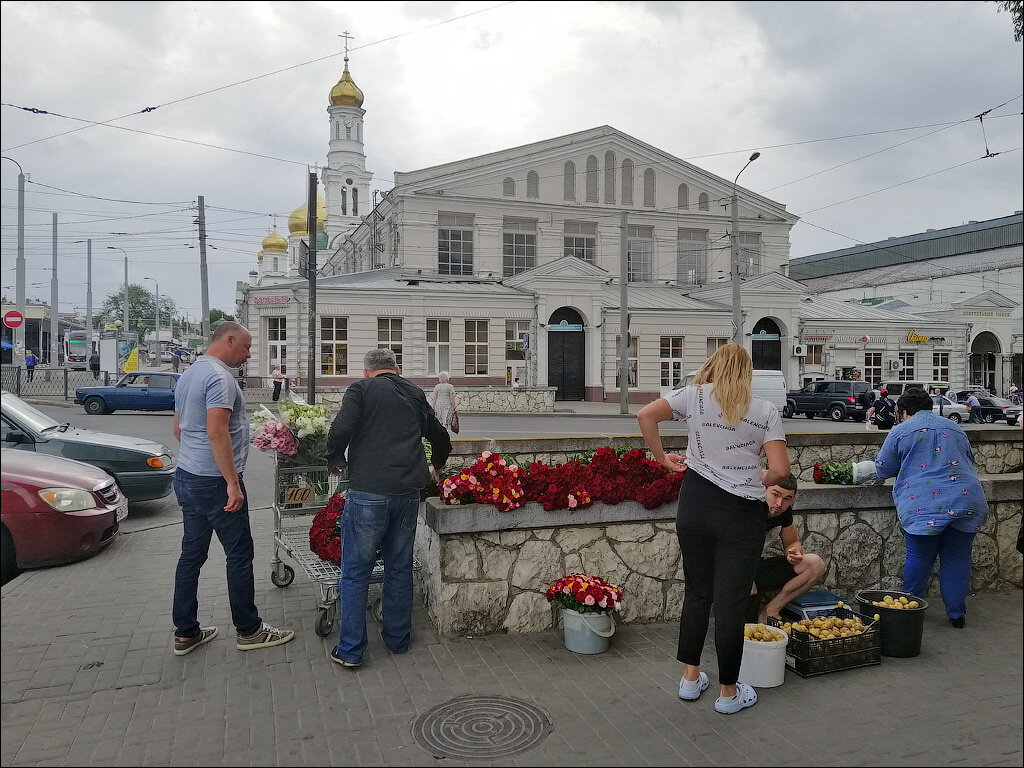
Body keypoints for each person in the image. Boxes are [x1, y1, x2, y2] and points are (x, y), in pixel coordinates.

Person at [637, 343, 790, 715]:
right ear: (747, 374)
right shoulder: (765, 410)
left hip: (696, 506)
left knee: (697, 593)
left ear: (713, 366)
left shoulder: (693, 397)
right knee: (731, 602)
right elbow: (781, 471)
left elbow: (645, 415)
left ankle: (690, 679)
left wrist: (661, 458)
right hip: (741, 514)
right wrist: (756, 473)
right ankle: (728, 692)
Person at [170, 321, 294, 656]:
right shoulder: (220, 378)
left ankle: (185, 632)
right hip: (214, 483)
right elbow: (216, 432)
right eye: (247, 346)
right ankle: (249, 630)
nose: (249, 354)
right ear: (229, 340)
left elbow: (179, 429)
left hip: (187, 475)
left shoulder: (189, 374)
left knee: (191, 556)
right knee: (239, 554)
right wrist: (231, 483)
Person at [325, 348, 451, 668]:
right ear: (396, 369)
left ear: (367, 371)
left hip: (368, 490)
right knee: (399, 567)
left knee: (355, 572)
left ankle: (351, 650)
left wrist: (335, 460)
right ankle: (398, 640)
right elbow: (439, 435)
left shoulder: (360, 390)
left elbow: (340, 429)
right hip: (408, 492)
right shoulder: (414, 392)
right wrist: (437, 463)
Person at [873, 387, 988, 628]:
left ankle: (909, 609)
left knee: (919, 556)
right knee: (957, 559)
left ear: (903, 411)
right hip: (966, 499)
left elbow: (883, 468)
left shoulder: (901, 431)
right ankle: (957, 615)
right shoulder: (955, 428)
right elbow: (969, 459)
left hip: (923, 505)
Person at [746, 475, 826, 623]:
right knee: (746, 582)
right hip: (733, 569)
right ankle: (748, 629)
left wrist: (794, 552)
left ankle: (770, 611)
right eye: (775, 495)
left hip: (758, 567)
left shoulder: (784, 511)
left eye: (787, 499)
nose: (779, 503)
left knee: (815, 564)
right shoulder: (750, 506)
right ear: (764, 490)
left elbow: (792, 542)